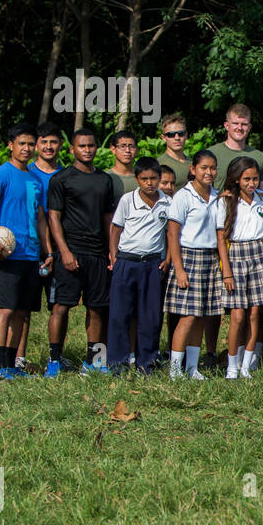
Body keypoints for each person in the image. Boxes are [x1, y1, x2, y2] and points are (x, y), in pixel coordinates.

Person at [0, 123, 52, 380]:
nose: (27, 149)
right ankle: (0, 366)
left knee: (22, 312)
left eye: (31, 144)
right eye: (22, 143)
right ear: (10, 145)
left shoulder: (35, 179)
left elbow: (41, 218)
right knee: (6, 310)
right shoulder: (0, 174)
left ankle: (13, 366)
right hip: (7, 254)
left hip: (31, 255)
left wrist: (48, 251)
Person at [46, 127, 117, 376]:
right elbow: (53, 217)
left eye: (91, 145)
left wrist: (112, 250)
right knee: (61, 306)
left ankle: (95, 361)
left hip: (98, 253)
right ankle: (54, 360)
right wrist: (63, 251)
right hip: (71, 251)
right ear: (72, 149)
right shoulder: (61, 179)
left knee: (98, 308)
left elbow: (109, 217)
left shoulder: (104, 179)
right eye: (82, 146)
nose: (87, 150)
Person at [107, 157, 172, 375]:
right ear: (137, 179)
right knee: (119, 315)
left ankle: (147, 363)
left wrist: (168, 258)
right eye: (144, 179)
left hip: (153, 264)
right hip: (127, 262)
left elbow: (171, 233)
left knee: (151, 315)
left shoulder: (167, 202)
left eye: (154, 178)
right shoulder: (128, 200)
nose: (149, 183)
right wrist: (114, 256)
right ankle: (117, 363)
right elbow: (115, 229)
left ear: (160, 178)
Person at [164, 150, 222, 380]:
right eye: (204, 168)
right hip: (188, 257)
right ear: (193, 169)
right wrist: (178, 269)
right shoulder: (183, 196)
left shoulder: (217, 196)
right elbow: (172, 234)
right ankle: (175, 369)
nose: (209, 172)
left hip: (210, 258)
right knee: (187, 316)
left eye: (212, 168)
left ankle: (192, 368)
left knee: (201, 315)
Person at [216, 156, 263, 379]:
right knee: (237, 316)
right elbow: (221, 239)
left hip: (258, 254)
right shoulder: (227, 201)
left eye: (255, 178)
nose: (251, 183)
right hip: (236, 255)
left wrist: (260, 239)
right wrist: (226, 271)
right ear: (236, 179)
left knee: (255, 314)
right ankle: (232, 365)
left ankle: (248, 365)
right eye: (246, 179)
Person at [20, 121, 65, 370]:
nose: (48, 147)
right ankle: (19, 356)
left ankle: (54, 358)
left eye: (53, 142)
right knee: (23, 306)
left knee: (58, 305)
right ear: (36, 145)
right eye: (44, 142)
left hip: (58, 249)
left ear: (60, 145)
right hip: (29, 248)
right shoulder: (26, 173)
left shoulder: (66, 175)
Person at [207, 103, 263, 192]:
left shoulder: (259, 157)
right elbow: (204, 192)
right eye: (235, 123)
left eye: (244, 124)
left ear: (250, 127)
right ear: (226, 126)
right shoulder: (211, 154)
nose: (239, 128)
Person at [157, 112, 192, 188]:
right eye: (171, 135)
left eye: (181, 133)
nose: (177, 138)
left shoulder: (193, 164)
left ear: (186, 135)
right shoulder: (158, 165)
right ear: (163, 138)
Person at [107, 130, 140, 199]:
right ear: (113, 149)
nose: (127, 150)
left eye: (131, 146)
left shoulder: (143, 178)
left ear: (137, 150)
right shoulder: (106, 178)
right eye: (123, 146)